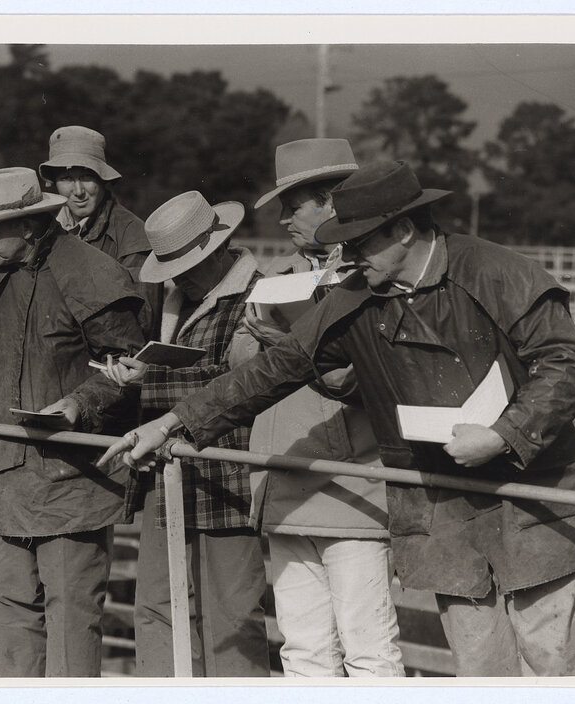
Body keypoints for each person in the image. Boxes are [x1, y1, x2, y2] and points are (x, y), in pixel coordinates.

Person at [102, 160, 575, 677]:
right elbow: (273, 370)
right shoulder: (356, 296)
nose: (350, 254)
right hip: (442, 502)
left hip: (531, 496)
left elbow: (568, 364)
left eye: (361, 241)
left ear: (404, 230)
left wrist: (503, 434)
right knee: (481, 669)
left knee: (557, 662)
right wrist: (170, 425)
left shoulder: (496, 271)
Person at [0, 166, 146, 677]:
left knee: (71, 616)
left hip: (74, 477)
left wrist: (81, 400)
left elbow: (129, 365)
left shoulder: (91, 273)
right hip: (7, 474)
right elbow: (0, 360)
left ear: (30, 226)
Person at [230, 139, 404, 677]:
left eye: (293, 205)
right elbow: (237, 368)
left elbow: (378, 376)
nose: (283, 219)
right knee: (302, 647)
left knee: (368, 646)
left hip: (352, 487)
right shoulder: (276, 277)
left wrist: (296, 350)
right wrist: (258, 341)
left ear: (331, 201)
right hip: (282, 477)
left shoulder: (371, 276)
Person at [96, 190, 271, 677]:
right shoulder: (175, 301)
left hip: (227, 474)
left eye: (190, 264)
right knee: (156, 604)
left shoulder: (259, 296)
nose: (181, 276)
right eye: (173, 266)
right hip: (166, 470)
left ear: (217, 252)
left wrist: (152, 379)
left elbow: (246, 383)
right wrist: (140, 375)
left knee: (231, 613)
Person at [39, 124, 161, 335]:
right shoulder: (46, 229)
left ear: (103, 180)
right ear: (55, 183)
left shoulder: (133, 235)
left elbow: (143, 320)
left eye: (87, 177)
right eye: (67, 179)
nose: (78, 191)